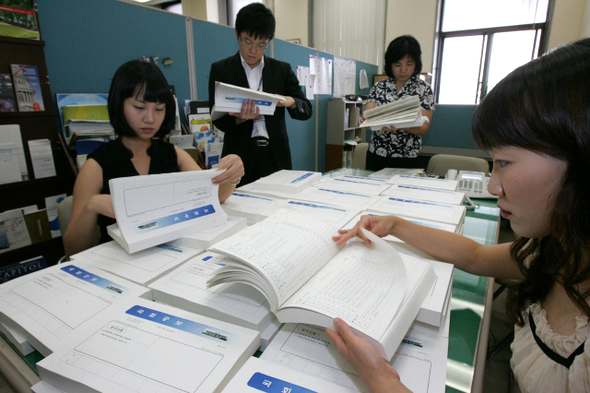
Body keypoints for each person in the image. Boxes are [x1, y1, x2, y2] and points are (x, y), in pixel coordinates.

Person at [329, 38, 590, 393]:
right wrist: (394, 223)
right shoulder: (555, 251)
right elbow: (476, 255)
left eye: (503, 163)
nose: (493, 185)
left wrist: (381, 380)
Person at [63, 60, 244, 257]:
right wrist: (92, 206)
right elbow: (74, 250)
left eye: (159, 109)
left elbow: (213, 197)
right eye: (139, 107)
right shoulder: (96, 165)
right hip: (119, 262)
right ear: (118, 105)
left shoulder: (173, 154)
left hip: (169, 255)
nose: (150, 118)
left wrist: (232, 174)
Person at [208, 2, 312, 186]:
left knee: (279, 206)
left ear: (268, 41)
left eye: (261, 44)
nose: (253, 50)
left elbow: (306, 110)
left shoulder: (281, 70)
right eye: (247, 42)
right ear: (237, 34)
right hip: (238, 156)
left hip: (275, 154)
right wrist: (239, 119)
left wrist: (290, 101)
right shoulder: (221, 69)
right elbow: (216, 117)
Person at [364, 35, 434, 171]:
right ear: (390, 64)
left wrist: (399, 124)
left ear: (416, 63)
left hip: (407, 157)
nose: (403, 70)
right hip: (377, 154)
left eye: (409, 64)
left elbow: (424, 128)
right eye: (397, 65)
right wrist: (368, 119)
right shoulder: (378, 87)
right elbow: (369, 116)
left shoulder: (424, 89)